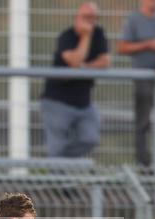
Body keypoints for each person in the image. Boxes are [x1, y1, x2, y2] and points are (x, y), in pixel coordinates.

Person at [40, 2, 110, 159]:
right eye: (86, 18)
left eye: (94, 18)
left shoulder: (98, 34)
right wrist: (85, 36)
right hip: (57, 101)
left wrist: (84, 67)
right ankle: (58, 177)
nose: (90, 22)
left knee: (90, 139)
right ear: (77, 18)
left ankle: (59, 163)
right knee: (56, 145)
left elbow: (105, 61)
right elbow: (74, 62)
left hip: (83, 103)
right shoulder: (67, 36)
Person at [118, 0, 155, 167]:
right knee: (143, 122)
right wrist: (148, 44)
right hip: (145, 77)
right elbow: (122, 47)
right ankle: (144, 165)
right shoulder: (133, 20)